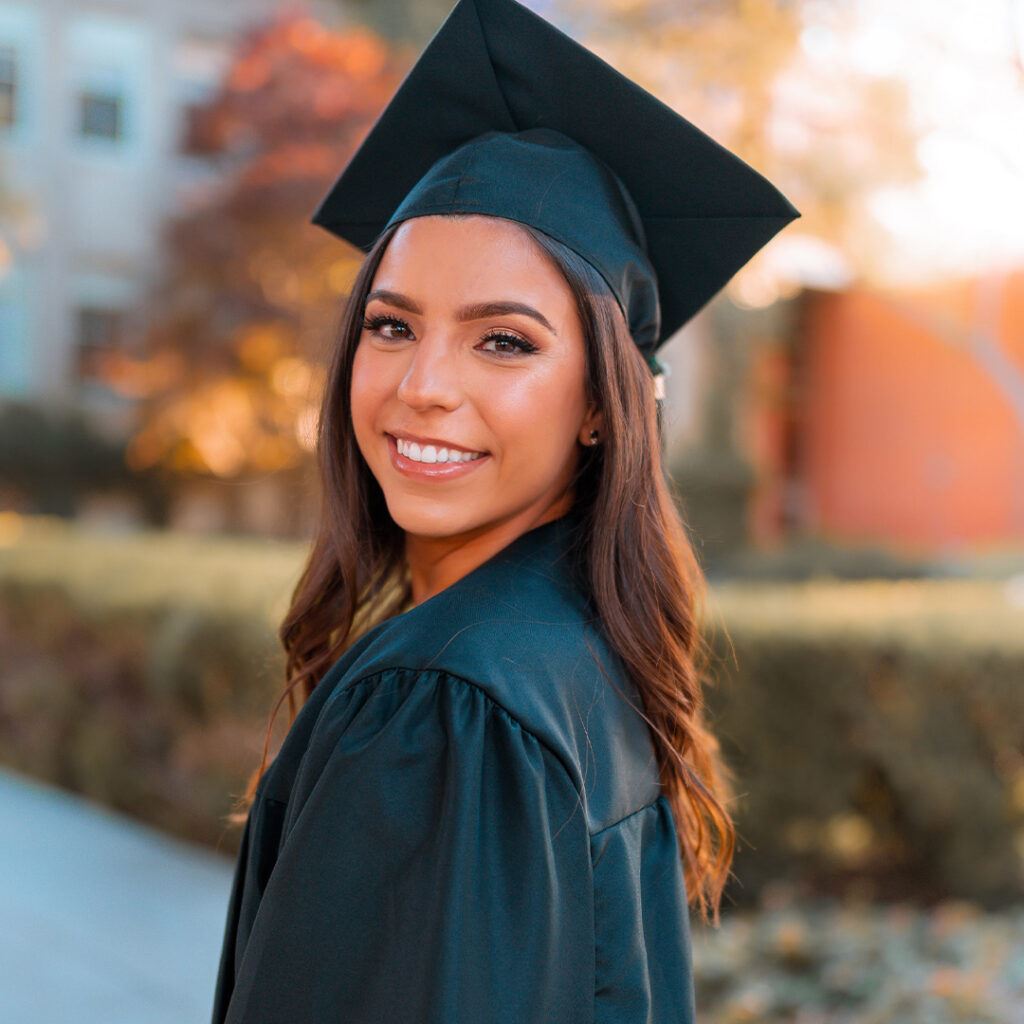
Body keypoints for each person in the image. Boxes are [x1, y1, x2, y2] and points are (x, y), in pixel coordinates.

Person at [211, 0, 800, 1021]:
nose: (422, 385)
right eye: (391, 325)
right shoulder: (579, 655)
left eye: (504, 341)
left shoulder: (445, 703)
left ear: (599, 406)